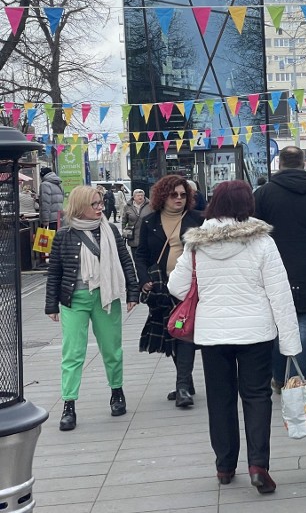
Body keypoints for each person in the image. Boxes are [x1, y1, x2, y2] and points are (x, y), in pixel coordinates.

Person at [168, 180, 301, 493]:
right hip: (255, 333)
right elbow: (279, 294)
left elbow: (177, 285)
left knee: (220, 398)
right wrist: (290, 343)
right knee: (256, 396)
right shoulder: (262, 242)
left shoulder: (196, 243)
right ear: (247, 206)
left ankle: (225, 466)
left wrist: (209, 297)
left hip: (213, 334)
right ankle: (258, 465)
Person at [44, 185, 139, 431]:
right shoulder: (64, 235)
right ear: (80, 206)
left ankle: (117, 392)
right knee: (72, 353)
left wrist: (133, 291)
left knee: (111, 349)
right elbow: (54, 271)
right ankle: (69, 405)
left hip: (105, 297)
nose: (101, 208)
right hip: (73, 299)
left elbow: (125, 260)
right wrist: (50, 304)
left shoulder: (110, 231)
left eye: (101, 203)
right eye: (95, 204)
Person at [254, 146, 306, 387]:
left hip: (273, 270)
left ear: (279, 164)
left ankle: (279, 377)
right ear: (303, 163)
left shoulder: (263, 194)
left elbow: (255, 235)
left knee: (278, 326)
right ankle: (298, 379)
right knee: (303, 326)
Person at [134, 175, 203, 406]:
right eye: (174, 195)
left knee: (182, 332)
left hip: (189, 288)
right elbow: (141, 254)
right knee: (172, 333)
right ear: (163, 196)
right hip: (161, 286)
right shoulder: (149, 221)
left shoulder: (197, 220)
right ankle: (186, 383)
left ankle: (182, 386)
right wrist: (143, 279)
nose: (179, 199)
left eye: (184, 195)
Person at [121, 189, 152, 256]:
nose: (140, 197)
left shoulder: (150, 206)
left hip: (146, 237)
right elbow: (124, 221)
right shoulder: (127, 206)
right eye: (138, 195)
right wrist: (124, 231)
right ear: (134, 197)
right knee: (136, 257)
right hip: (133, 237)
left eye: (142, 195)